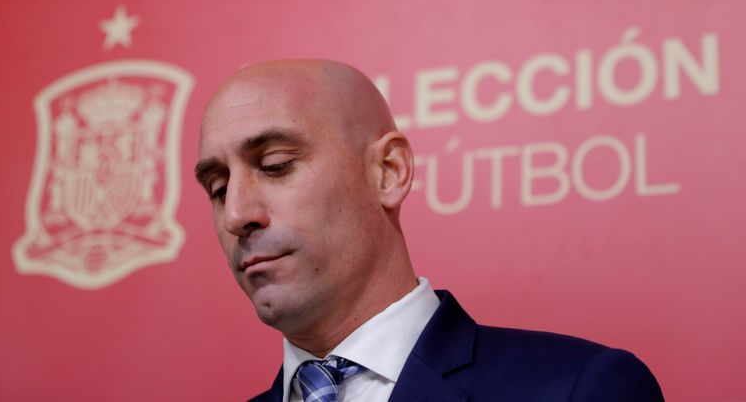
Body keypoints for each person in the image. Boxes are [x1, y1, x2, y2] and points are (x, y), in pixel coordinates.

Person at [195, 59, 664, 402]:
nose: (236, 214)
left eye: (276, 166)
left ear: (389, 172)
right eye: (218, 188)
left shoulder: (580, 390)